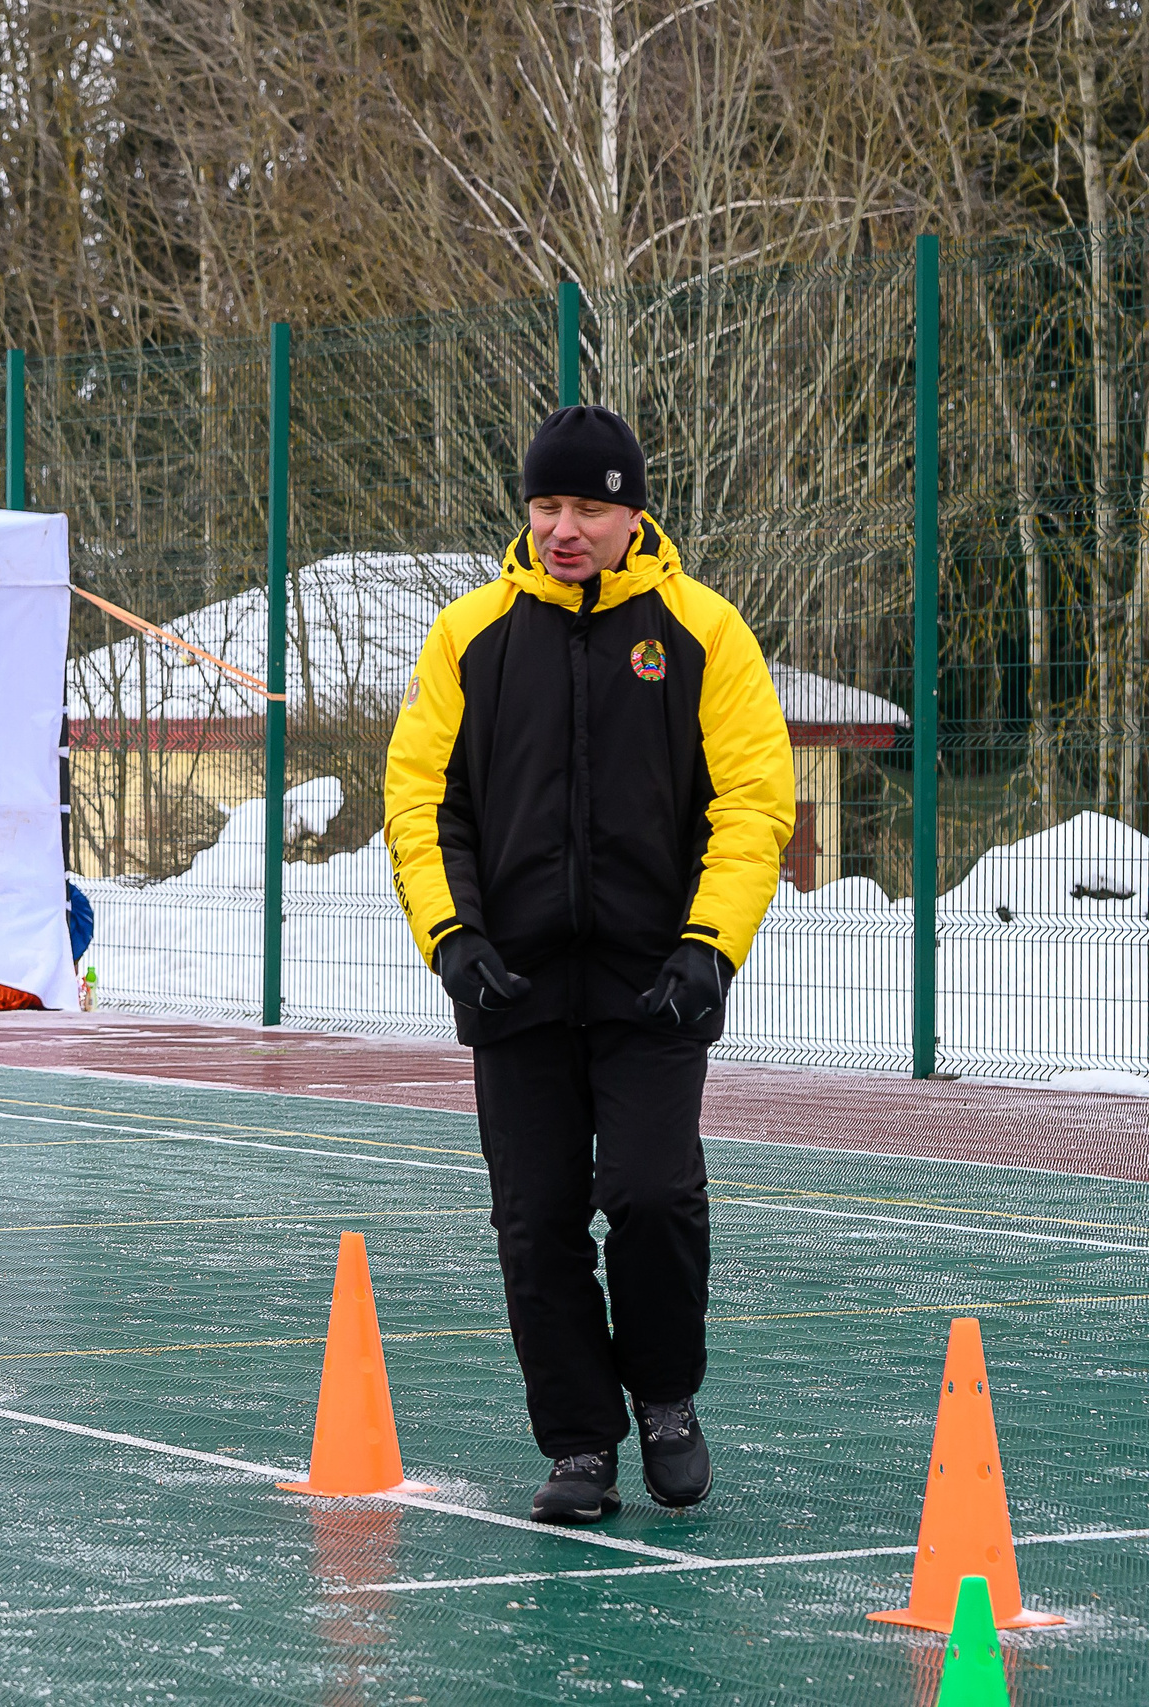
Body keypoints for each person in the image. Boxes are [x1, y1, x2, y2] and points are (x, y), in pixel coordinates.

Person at [383, 406, 794, 1524]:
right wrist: (453, 939)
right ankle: (577, 1445)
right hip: (511, 982)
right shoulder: (469, 634)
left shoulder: (704, 631)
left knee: (651, 1195)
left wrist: (709, 945)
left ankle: (663, 1395)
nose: (565, 529)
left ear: (633, 513)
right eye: (547, 506)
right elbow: (421, 803)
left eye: (590, 508)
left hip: (655, 980)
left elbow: (753, 803)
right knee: (537, 1218)